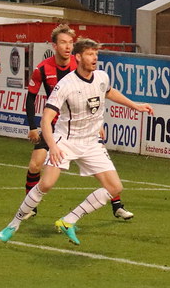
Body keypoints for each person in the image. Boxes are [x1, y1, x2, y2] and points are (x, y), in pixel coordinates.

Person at [0, 38, 154, 244]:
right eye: (89, 54)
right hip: (66, 141)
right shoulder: (66, 85)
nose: (94, 58)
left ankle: (68, 220)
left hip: (91, 142)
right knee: (46, 184)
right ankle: (13, 224)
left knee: (115, 188)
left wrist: (136, 106)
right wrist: (52, 146)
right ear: (78, 57)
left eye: (96, 54)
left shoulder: (101, 77)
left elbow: (108, 92)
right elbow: (46, 119)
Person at [21, 25, 133, 220]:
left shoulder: (81, 66)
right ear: (54, 45)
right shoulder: (43, 68)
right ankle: (30, 208)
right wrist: (32, 126)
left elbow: (96, 95)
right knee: (35, 165)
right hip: (54, 126)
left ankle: (117, 205)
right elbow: (31, 97)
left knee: (103, 166)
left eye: (70, 43)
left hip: (80, 128)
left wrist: (97, 124)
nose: (67, 46)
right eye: (63, 42)